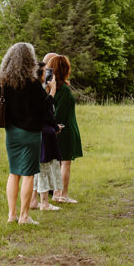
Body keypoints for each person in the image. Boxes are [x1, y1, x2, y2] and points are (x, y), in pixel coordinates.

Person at [0, 42, 57, 225]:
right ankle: (24, 216)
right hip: (30, 134)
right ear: (29, 60)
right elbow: (45, 107)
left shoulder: (1, 80)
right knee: (28, 175)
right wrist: (51, 91)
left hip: (12, 133)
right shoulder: (31, 83)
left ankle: (11, 215)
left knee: (14, 173)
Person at [31, 53, 64, 211]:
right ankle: (44, 202)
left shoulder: (32, 89)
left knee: (37, 168)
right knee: (44, 168)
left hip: (36, 132)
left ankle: (33, 200)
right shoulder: (41, 91)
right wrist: (53, 91)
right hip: (44, 133)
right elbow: (46, 112)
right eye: (46, 72)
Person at [50, 54, 82, 203]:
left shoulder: (51, 88)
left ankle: (58, 193)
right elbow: (59, 113)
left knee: (58, 163)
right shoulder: (63, 90)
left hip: (57, 129)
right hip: (64, 129)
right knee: (65, 163)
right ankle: (62, 194)